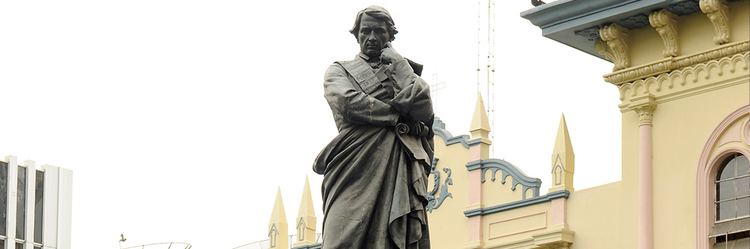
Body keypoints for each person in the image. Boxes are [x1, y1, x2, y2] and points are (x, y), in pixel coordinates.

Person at [313, 5, 433, 249]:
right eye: (365, 32)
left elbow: (424, 107)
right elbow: (348, 102)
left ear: (390, 37)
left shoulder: (403, 71)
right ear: (356, 35)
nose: (371, 38)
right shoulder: (339, 70)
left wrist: (400, 65)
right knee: (339, 241)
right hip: (352, 168)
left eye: (378, 32)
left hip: (396, 166)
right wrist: (398, 117)